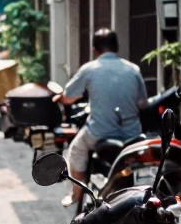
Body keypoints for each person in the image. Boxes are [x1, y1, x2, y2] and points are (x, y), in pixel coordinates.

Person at [58, 28, 148, 208]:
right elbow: (142, 103)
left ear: (94, 49)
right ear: (116, 47)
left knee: (75, 150)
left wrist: (59, 98)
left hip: (100, 132)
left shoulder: (90, 69)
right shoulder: (133, 69)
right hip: (132, 134)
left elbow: (68, 97)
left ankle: (76, 193)